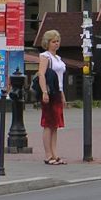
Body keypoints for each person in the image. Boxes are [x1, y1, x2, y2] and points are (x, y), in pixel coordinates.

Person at [37, 29, 67, 165]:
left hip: (57, 92)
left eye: (58, 41)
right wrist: (44, 91)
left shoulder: (58, 58)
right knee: (48, 124)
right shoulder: (45, 57)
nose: (56, 44)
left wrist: (62, 95)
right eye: (53, 41)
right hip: (49, 92)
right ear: (47, 43)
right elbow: (41, 74)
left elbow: (60, 79)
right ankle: (48, 155)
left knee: (55, 125)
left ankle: (55, 154)